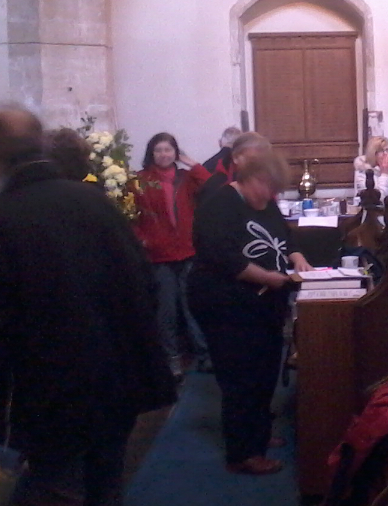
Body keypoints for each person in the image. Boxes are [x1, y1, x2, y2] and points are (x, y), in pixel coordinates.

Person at [0, 107, 176, 506]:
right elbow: (144, 284)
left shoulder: (3, 218)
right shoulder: (94, 201)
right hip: (115, 383)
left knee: (57, 491)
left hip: (50, 397)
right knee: (106, 488)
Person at [188, 150, 313, 475]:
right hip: (226, 304)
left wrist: (296, 255)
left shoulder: (264, 201)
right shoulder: (219, 204)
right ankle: (242, 453)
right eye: (268, 187)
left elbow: (283, 237)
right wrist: (269, 278)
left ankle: (257, 432)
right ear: (253, 179)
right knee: (241, 375)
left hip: (263, 303)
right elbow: (224, 257)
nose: (271, 196)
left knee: (265, 370)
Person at [134, 132, 213, 379]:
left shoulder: (185, 178)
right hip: (159, 255)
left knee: (192, 306)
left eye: (168, 150)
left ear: (175, 153)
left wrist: (193, 164)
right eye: (159, 150)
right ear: (151, 153)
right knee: (166, 310)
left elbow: (212, 184)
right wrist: (141, 239)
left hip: (187, 251)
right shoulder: (139, 180)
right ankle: (172, 359)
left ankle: (204, 355)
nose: (164, 155)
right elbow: (131, 214)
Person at [198, 130, 270, 205]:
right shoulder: (217, 184)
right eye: (251, 159)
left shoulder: (264, 182)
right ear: (235, 157)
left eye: (261, 160)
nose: (257, 164)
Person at [353, 135, 388, 203]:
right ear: (373, 153)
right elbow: (378, 201)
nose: (385, 154)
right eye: (381, 151)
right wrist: (385, 174)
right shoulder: (363, 172)